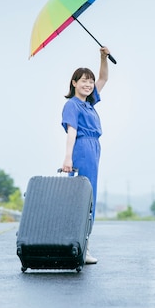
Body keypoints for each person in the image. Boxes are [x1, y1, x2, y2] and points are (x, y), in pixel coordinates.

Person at [61, 46, 110, 265]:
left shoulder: (89, 103)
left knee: (91, 197)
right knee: (83, 198)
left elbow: (104, 78)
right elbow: (72, 131)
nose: (88, 84)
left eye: (89, 81)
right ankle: (81, 246)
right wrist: (68, 158)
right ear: (74, 83)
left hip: (94, 148)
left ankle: (83, 244)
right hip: (81, 149)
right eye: (83, 80)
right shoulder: (72, 104)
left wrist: (103, 57)